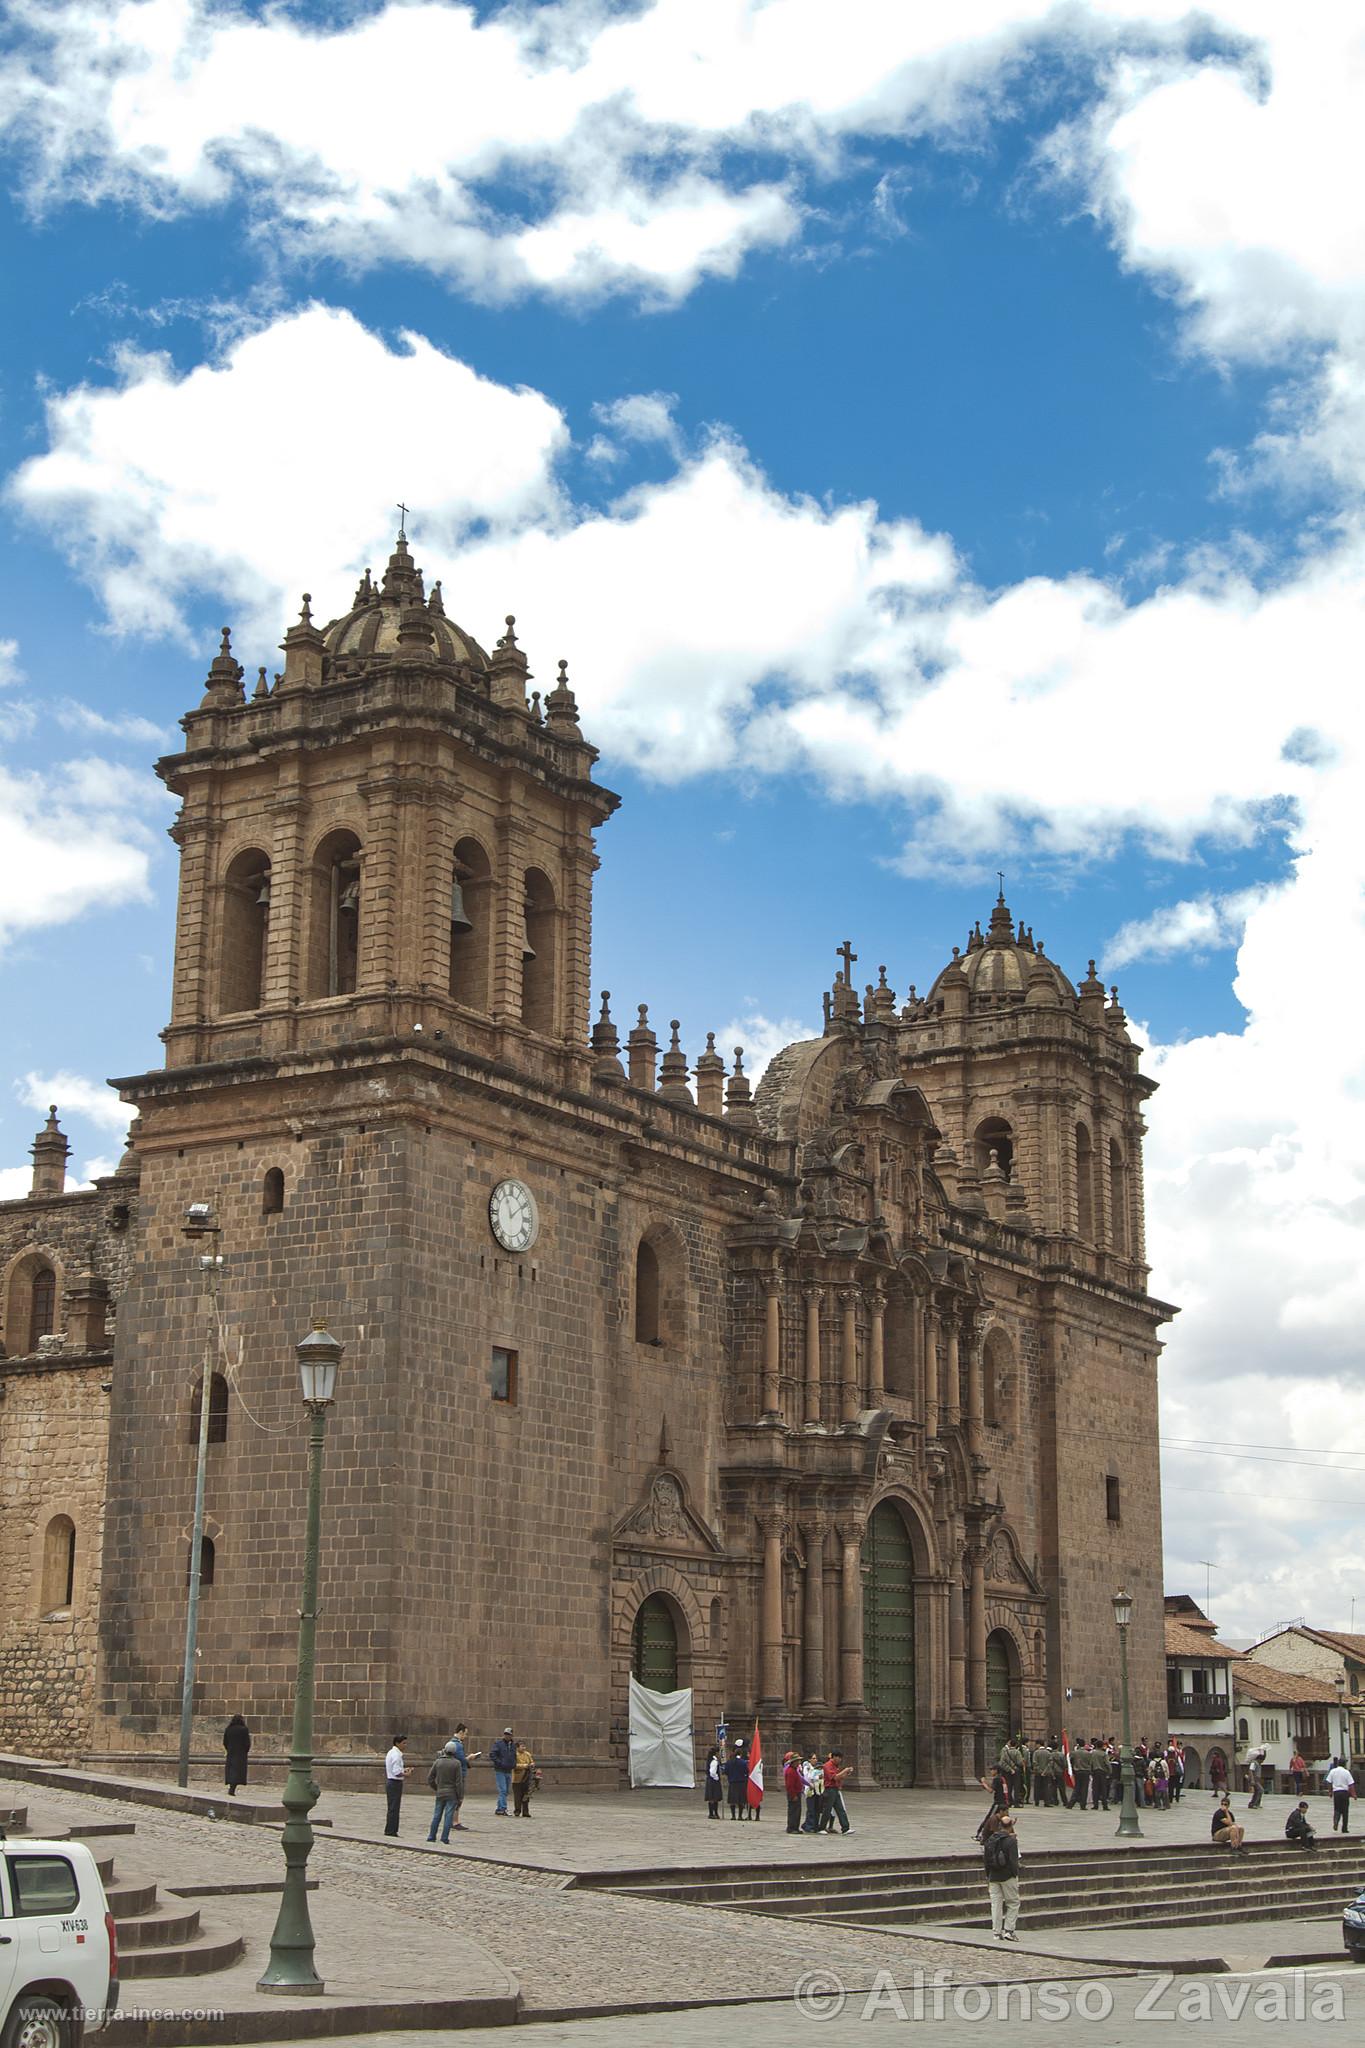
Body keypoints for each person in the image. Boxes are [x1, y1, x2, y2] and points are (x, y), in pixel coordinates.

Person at [982, 1810, 1021, 1941]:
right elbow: (1013, 1861)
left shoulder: (990, 1840)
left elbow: (986, 1860)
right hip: (1007, 1876)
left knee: (996, 1904)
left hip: (993, 1876)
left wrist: (988, 1875)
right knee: (1013, 1902)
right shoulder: (1011, 1841)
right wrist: (1014, 1874)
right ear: (1010, 1826)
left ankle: (996, 1932)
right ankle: (1009, 1930)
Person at [427, 1741, 463, 1845]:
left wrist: (436, 1788)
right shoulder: (456, 1763)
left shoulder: (438, 1762)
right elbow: (458, 1782)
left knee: (437, 1815)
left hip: (440, 1792)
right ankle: (444, 1838)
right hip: (452, 1793)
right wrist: (460, 1796)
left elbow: (430, 1778)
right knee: (448, 1816)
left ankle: (431, 1836)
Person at [449, 1724, 479, 1830]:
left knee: (453, 1798)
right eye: (465, 1734)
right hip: (459, 1774)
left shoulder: (451, 1743)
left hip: (452, 1774)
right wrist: (470, 1757)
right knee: (458, 1797)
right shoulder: (458, 1744)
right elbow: (462, 1760)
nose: (466, 1736)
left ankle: (451, 1820)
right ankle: (454, 1821)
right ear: (460, 1732)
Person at [384, 1733, 409, 1836]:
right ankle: (391, 1830)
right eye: (404, 1743)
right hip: (395, 1782)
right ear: (397, 1743)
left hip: (391, 1782)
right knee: (394, 1808)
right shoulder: (396, 1755)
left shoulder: (391, 1752)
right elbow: (396, 1772)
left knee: (392, 1807)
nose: (405, 1745)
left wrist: (403, 1770)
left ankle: (390, 1829)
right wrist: (406, 1774)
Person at [822, 1752, 851, 1835]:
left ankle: (845, 1828)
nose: (840, 1760)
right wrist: (844, 1770)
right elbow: (835, 1777)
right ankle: (821, 1827)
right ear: (834, 1757)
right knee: (827, 1810)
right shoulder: (827, 1765)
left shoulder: (835, 1766)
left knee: (840, 1809)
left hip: (835, 1789)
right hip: (829, 1790)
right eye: (839, 1758)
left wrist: (846, 1773)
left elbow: (840, 1777)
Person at [1325, 1756, 1355, 1834]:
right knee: (1345, 1811)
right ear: (1344, 1764)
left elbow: (1328, 1781)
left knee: (1337, 1809)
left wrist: (1330, 1791)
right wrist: (1354, 1794)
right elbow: (1351, 1784)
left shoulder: (1333, 1771)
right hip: (1345, 1793)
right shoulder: (1346, 1772)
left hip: (1336, 1793)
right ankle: (1344, 1828)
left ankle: (1336, 1821)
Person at [489, 1727, 516, 1817]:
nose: (507, 1736)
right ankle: (503, 1808)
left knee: (505, 1790)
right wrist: (499, 1763)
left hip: (508, 1770)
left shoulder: (513, 1745)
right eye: (506, 1734)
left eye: (509, 1734)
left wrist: (513, 1764)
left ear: (511, 1735)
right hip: (500, 1770)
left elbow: (514, 1756)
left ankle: (499, 1808)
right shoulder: (499, 1744)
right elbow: (492, 1754)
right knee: (503, 1790)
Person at [223, 1714, 251, 1798]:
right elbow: (247, 1743)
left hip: (231, 1752)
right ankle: (232, 1788)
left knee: (232, 1769)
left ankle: (231, 1787)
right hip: (240, 1753)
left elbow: (225, 1742)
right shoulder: (244, 1730)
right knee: (237, 1771)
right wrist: (245, 1750)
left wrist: (229, 1748)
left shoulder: (228, 1729)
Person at [512, 1738, 538, 1817]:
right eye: (522, 1746)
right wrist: (525, 1766)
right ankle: (517, 1811)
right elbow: (514, 1765)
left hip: (527, 1778)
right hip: (517, 1778)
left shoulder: (527, 1754)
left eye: (524, 1746)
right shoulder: (514, 1755)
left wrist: (532, 1764)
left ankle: (525, 1811)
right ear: (517, 1747)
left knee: (526, 1795)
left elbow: (532, 1761)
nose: (524, 1748)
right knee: (517, 1796)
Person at [800, 1752, 824, 1833]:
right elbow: (808, 1778)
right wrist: (817, 1777)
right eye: (813, 1758)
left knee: (817, 1808)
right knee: (811, 1809)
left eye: (816, 1758)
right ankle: (809, 1826)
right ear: (809, 1759)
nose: (815, 1760)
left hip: (817, 1789)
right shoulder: (807, 1768)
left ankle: (814, 1825)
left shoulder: (818, 1767)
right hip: (810, 1790)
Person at [725, 1746, 749, 1820]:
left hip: (732, 1782)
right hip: (741, 1782)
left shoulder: (729, 1762)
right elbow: (746, 1771)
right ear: (740, 1754)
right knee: (741, 1800)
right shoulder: (743, 1762)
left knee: (732, 1800)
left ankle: (733, 1816)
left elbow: (726, 1771)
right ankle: (740, 1816)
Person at [783, 1751, 804, 1833]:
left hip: (797, 1793)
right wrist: (793, 1795)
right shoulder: (790, 1771)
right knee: (793, 1811)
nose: (799, 1762)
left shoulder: (794, 1770)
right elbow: (790, 1785)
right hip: (794, 1793)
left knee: (797, 1811)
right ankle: (791, 1828)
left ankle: (795, 1827)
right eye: (797, 1761)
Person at [705, 1746, 724, 1820]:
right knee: (714, 1797)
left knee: (712, 1797)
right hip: (713, 1780)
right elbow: (712, 1772)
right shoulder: (714, 1761)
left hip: (710, 1780)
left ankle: (713, 1813)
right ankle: (713, 1813)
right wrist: (717, 1777)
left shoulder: (710, 1760)